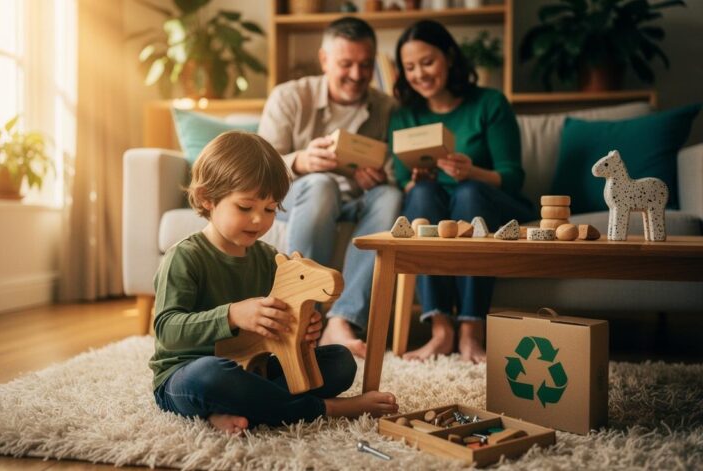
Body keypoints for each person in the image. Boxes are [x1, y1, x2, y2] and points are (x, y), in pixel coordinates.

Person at [150, 131, 398, 435]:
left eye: (269, 209)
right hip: (188, 373)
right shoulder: (184, 257)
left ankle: (239, 408)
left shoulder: (269, 258)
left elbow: (280, 321)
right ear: (207, 199)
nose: (259, 220)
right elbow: (167, 331)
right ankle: (326, 408)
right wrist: (233, 315)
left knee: (340, 362)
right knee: (211, 375)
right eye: (245, 207)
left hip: (255, 368)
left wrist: (304, 329)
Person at [389, 20, 536, 363]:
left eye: (427, 62)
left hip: (488, 202)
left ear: (450, 57)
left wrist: (473, 171)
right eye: (409, 67)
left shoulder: (490, 103)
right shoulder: (403, 115)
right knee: (421, 195)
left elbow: (512, 176)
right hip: (436, 205)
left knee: (469, 192)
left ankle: (471, 331)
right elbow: (401, 182)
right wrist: (416, 178)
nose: (419, 74)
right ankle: (441, 330)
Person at [258, 17, 401, 359]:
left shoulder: (387, 108)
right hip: (299, 197)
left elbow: (399, 173)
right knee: (321, 184)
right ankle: (301, 311)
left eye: (365, 65)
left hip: (358, 200)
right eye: (346, 64)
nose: (356, 74)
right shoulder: (290, 97)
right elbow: (257, 167)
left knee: (391, 196)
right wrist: (300, 161)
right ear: (325, 60)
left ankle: (342, 320)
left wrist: (379, 177)